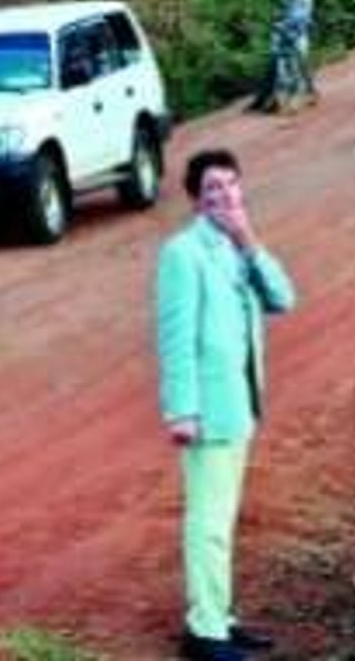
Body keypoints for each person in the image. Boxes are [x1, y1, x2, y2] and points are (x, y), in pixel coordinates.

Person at [154, 149, 297, 661]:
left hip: (239, 405)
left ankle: (220, 615)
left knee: (223, 519)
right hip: (207, 411)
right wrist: (181, 410)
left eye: (231, 186)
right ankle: (204, 632)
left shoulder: (238, 247)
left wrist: (250, 241)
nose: (224, 196)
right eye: (213, 189)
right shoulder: (182, 253)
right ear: (196, 200)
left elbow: (284, 298)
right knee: (208, 522)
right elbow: (175, 338)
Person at [248, 0, 316, 114]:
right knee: (282, 67)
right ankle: (274, 100)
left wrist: (282, 24)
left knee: (294, 66)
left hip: (295, 35)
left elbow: (299, 18)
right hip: (285, 35)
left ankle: (292, 100)